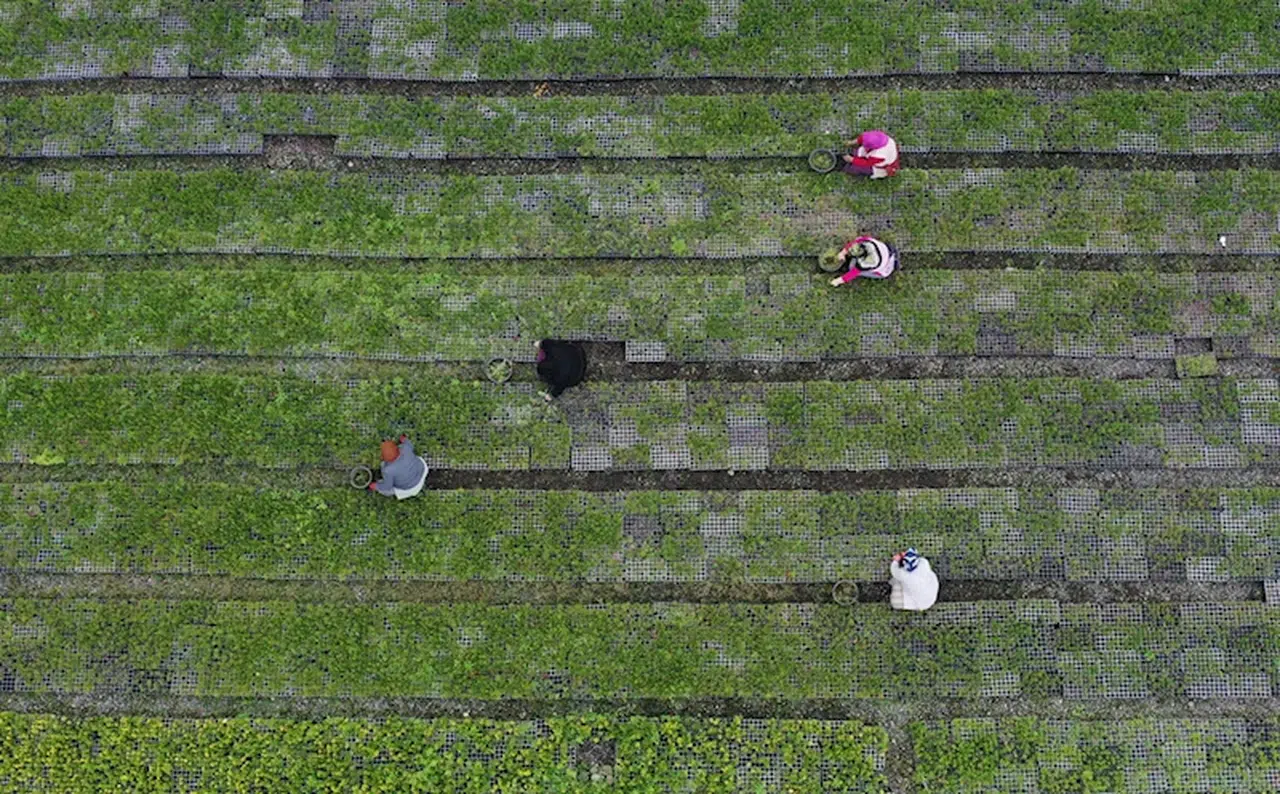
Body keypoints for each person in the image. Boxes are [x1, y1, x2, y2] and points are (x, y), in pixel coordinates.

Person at [369, 434, 428, 500]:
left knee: (386, 490)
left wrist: (376, 486)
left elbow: (387, 486)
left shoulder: (387, 470)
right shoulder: (405, 449)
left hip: (411, 488)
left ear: (383, 457)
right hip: (421, 470)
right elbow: (409, 444)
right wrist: (404, 439)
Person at [829, 235, 898, 286]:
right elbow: (856, 241)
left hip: (885, 269)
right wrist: (843, 252)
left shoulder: (868, 263)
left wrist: (837, 281)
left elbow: (853, 273)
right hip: (885, 251)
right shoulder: (866, 242)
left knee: (851, 267)